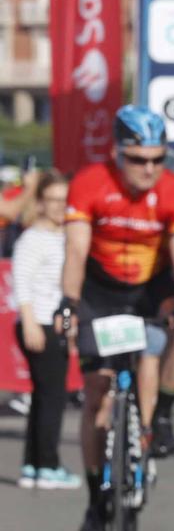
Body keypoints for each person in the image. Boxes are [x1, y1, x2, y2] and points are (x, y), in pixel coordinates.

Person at [55, 107, 174, 531]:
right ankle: (96, 493)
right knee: (98, 391)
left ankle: (159, 419)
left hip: (151, 288)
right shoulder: (90, 183)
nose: (150, 169)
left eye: (158, 159)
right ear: (118, 154)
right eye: (139, 160)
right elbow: (76, 252)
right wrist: (68, 302)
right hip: (100, 290)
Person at [10, 170, 79, 489]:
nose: (57, 207)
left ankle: (33, 466)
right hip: (36, 322)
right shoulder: (33, 237)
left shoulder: (66, 236)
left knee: (43, 397)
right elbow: (21, 283)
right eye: (51, 200)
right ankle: (47, 465)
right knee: (52, 397)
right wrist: (29, 325)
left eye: (64, 201)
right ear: (40, 203)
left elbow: (65, 289)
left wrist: (68, 330)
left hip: (56, 322)